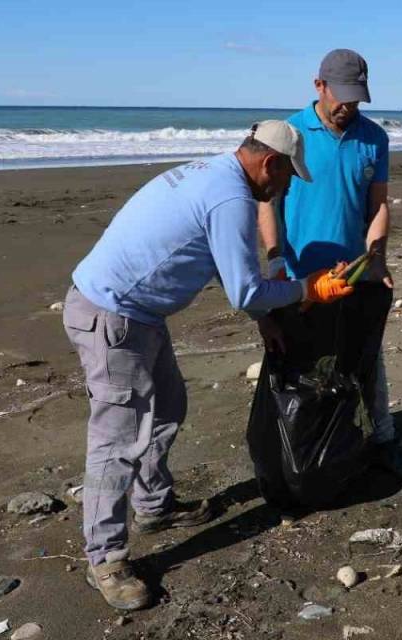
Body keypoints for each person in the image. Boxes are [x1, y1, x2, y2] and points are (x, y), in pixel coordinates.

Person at [64, 120, 354, 611]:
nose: (284, 189)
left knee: (168, 407)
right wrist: (308, 289)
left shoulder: (211, 174)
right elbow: (243, 288)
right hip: (113, 319)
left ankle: (154, 507)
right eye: (286, 178)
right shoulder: (231, 198)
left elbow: (224, 262)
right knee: (116, 442)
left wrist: (265, 320)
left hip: (138, 312)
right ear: (270, 163)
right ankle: (106, 558)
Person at [257, 49, 402, 485]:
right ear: (319, 85)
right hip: (299, 280)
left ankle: (382, 440)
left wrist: (378, 258)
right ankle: (301, 453)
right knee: (298, 369)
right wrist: (276, 260)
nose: (348, 107)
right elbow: (268, 204)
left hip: (352, 274)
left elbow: (378, 205)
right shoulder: (290, 132)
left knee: (366, 361)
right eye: (342, 97)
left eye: (357, 99)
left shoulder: (374, 138)